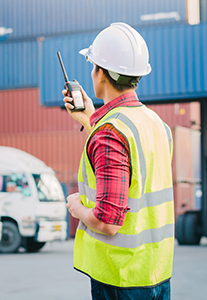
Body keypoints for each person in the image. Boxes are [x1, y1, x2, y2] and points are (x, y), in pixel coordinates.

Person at [63, 23, 174, 300]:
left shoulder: (110, 133)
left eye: (93, 66)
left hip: (120, 278)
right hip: (156, 273)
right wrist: (90, 119)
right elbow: (133, 175)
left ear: (100, 73)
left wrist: (77, 208)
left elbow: (108, 222)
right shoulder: (157, 124)